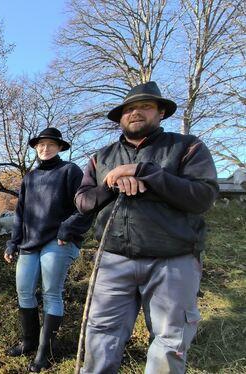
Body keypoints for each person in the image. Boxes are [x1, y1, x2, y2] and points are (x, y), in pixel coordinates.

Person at [75, 81, 219, 374]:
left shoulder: (187, 147)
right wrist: (112, 184)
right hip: (114, 259)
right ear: (120, 117)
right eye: (128, 109)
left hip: (172, 259)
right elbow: (82, 201)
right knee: (101, 334)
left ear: (161, 112)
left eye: (145, 106)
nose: (135, 113)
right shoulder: (100, 157)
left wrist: (147, 173)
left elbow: (203, 197)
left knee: (169, 340)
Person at [4, 127, 93, 372]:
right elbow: (20, 213)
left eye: (50, 144)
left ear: (60, 147)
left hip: (57, 240)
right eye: (40, 145)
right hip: (30, 242)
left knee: (51, 293)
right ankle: (29, 342)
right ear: (35, 148)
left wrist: (68, 230)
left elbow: (85, 207)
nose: (45, 148)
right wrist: (13, 241)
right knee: (24, 291)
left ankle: (45, 352)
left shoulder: (70, 171)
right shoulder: (29, 178)